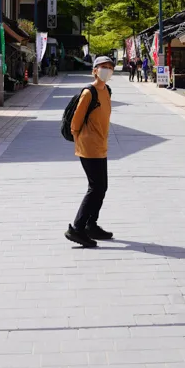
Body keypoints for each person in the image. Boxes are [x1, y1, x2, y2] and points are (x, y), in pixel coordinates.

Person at [67, 56, 115, 248]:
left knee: (101, 187)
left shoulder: (107, 91)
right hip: (89, 146)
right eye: (103, 67)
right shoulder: (89, 92)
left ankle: (90, 225)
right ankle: (77, 228)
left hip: (100, 145)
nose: (107, 70)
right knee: (96, 187)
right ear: (94, 70)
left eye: (110, 67)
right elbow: (75, 123)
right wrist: (81, 140)